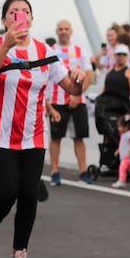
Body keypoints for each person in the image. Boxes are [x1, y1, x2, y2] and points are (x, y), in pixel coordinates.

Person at [0, 0, 85, 258]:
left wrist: (81, 77)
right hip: (1, 133)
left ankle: (19, 254)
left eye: (25, 11)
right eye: (13, 12)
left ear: (32, 19)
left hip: (34, 134)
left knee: (28, 194)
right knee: (6, 192)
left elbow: (72, 89)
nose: (20, 15)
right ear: (4, 20)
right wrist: (7, 45)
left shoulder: (44, 51)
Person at [46, 19, 93, 185]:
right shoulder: (50, 51)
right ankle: (55, 172)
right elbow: (44, 77)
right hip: (56, 101)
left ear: (71, 31)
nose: (63, 31)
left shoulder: (80, 51)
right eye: (60, 29)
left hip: (77, 102)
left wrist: (77, 95)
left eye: (66, 28)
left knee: (79, 137)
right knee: (56, 138)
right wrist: (47, 104)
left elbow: (89, 74)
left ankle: (83, 171)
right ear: (57, 32)